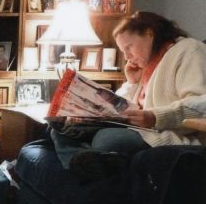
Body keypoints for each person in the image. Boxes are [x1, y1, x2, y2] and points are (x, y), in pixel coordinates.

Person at [51, 11, 206, 179]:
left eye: (128, 47)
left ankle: (90, 165)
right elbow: (122, 108)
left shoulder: (189, 50)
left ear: (149, 33)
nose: (126, 57)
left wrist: (154, 117)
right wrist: (132, 82)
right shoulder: (148, 63)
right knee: (59, 127)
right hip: (139, 129)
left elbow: (201, 105)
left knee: (107, 139)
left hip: (169, 134)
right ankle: (85, 167)